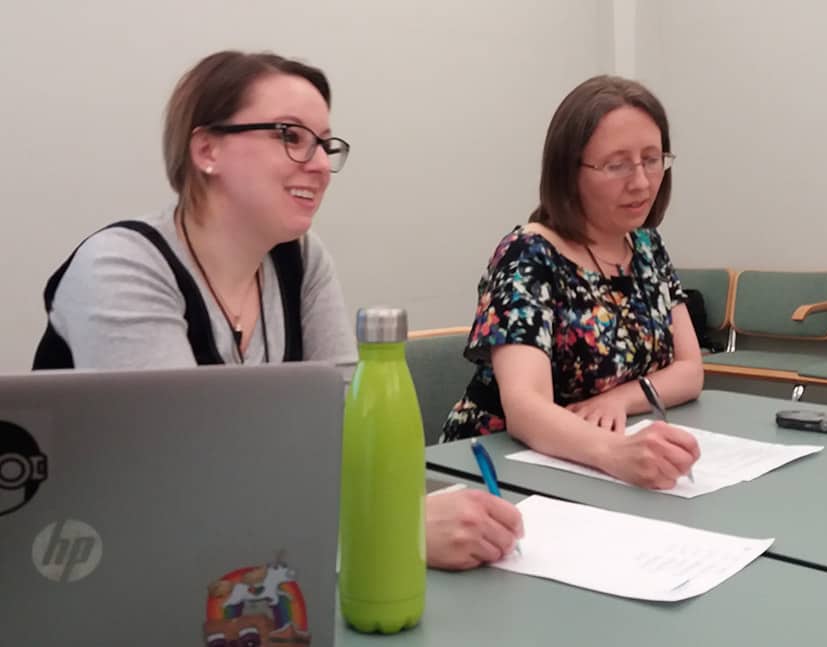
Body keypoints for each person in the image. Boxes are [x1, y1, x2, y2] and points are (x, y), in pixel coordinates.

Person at [31, 50, 521, 570]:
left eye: (324, 144)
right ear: (207, 149)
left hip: (249, 565)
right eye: (290, 136)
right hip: (101, 569)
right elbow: (180, 484)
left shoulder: (300, 259)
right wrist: (392, 531)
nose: (317, 163)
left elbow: (345, 435)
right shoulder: (121, 267)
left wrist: (402, 511)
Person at [442, 75, 703, 490]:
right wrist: (617, 454)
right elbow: (527, 409)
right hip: (498, 470)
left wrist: (618, 399)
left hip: (599, 461)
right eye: (616, 165)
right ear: (569, 170)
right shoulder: (529, 254)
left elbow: (689, 371)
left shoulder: (647, 246)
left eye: (652, 159)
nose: (640, 182)